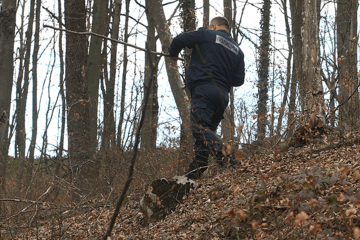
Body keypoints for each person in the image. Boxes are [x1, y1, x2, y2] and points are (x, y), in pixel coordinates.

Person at [168, 17, 245, 180]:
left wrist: (173, 55)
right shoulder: (238, 51)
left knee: (199, 128)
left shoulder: (206, 34)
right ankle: (193, 173)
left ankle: (229, 158)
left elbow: (179, 39)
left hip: (204, 90)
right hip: (222, 97)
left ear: (214, 26)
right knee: (205, 134)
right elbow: (238, 80)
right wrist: (222, 71)